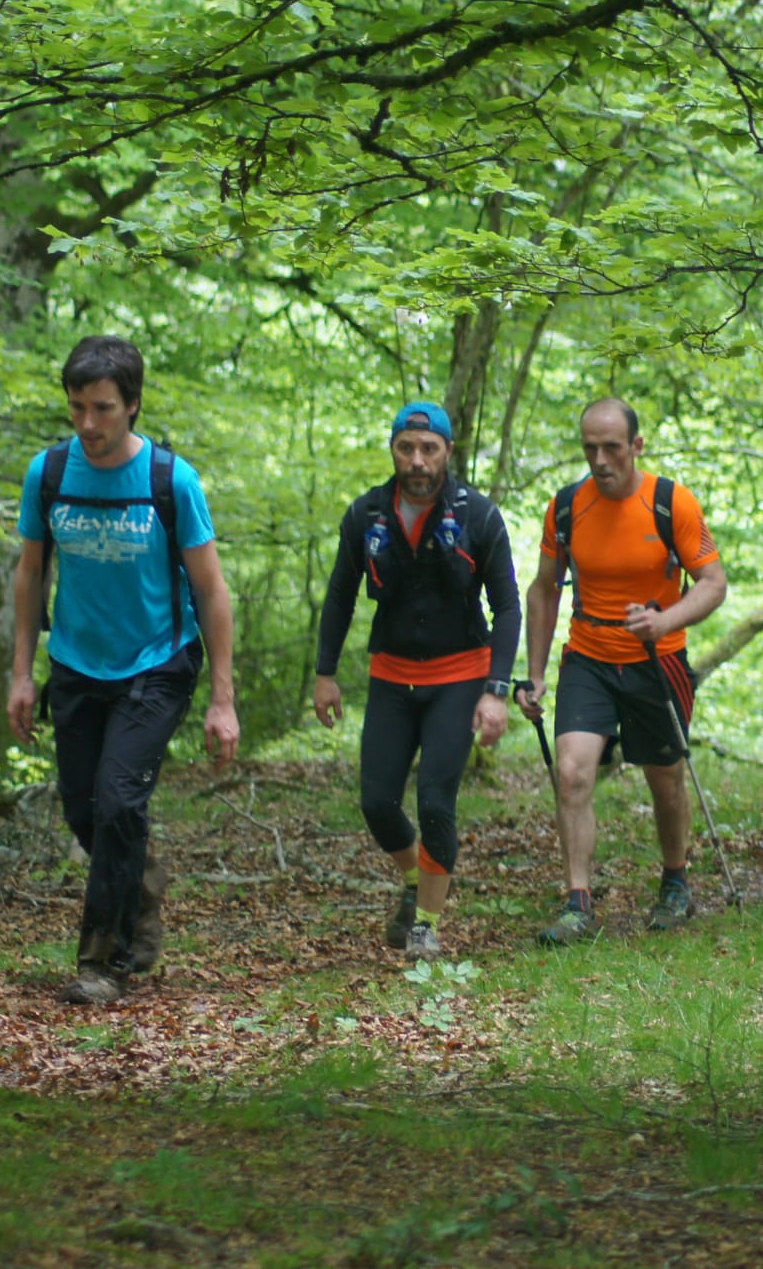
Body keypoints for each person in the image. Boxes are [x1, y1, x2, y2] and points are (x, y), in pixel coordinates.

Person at [8, 335, 240, 1006]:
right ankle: (139, 885)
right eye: (78, 407)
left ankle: (101, 963)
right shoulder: (48, 474)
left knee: (117, 800)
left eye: (103, 408)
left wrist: (221, 700)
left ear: (132, 406)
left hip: (157, 663)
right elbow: (29, 574)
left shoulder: (172, 481)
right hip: (77, 663)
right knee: (89, 811)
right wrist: (22, 673)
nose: (88, 424)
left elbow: (211, 590)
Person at [312, 402, 521, 961]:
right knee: (378, 801)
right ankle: (414, 876)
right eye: (407, 448)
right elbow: (339, 594)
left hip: (460, 675)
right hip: (392, 676)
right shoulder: (367, 514)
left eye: (429, 449)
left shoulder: (478, 515)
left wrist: (495, 691)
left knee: (435, 799)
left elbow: (507, 606)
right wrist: (325, 673)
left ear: (448, 452)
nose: (417, 460)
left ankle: (426, 924)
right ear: (393, 451)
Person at [517, 399, 728, 945]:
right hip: (589, 655)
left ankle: (675, 880)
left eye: (612, 447)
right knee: (573, 772)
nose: (600, 459)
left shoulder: (670, 502)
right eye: (590, 447)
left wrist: (665, 620)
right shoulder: (567, 507)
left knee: (665, 778)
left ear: (637, 445)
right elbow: (542, 590)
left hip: (657, 662)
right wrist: (534, 674)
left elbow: (711, 583)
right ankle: (577, 902)